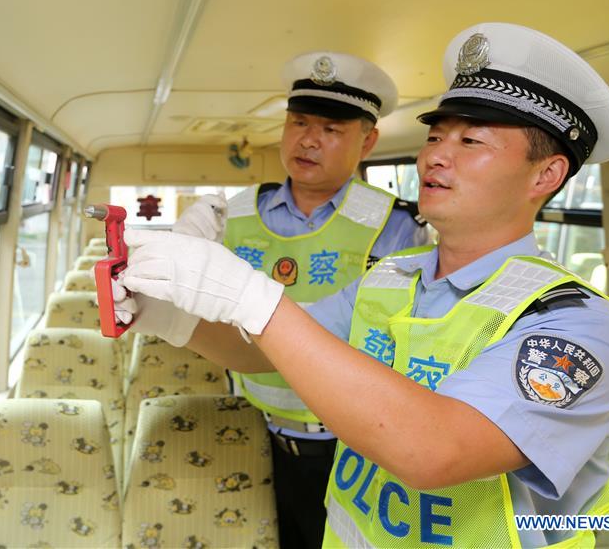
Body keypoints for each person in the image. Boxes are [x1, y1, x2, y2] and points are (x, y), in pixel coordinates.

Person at [116, 23, 609, 547]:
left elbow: (434, 450)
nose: (435, 155)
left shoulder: (579, 326)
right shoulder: (392, 277)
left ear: (545, 175)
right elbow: (262, 353)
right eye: (435, 136)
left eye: (470, 140)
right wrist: (163, 313)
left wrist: (251, 296)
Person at [167, 51, 429, 548]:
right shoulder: (229, 215)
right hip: (249, 430)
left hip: (353, 446)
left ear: (367, 140)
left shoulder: (395, 228)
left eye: (331, 128)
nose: (308, 139)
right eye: (298, 122)